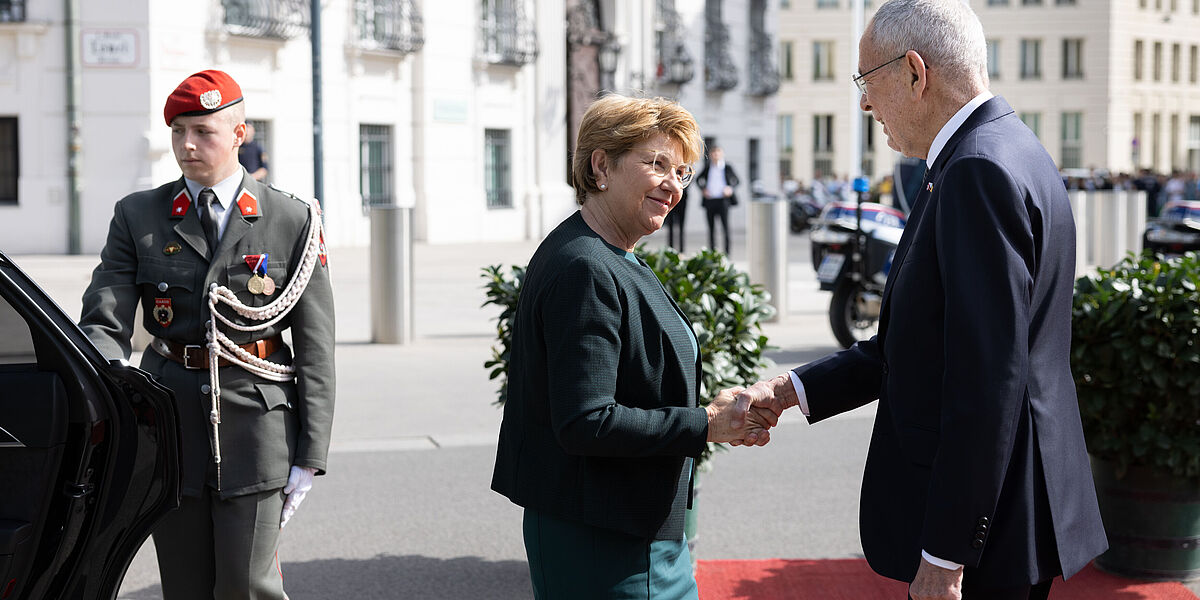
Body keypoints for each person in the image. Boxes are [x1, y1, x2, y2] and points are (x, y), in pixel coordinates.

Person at [734, 1, 1108, 598]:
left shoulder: (975, 172)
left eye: (866, 80)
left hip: (989, 528)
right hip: (1009, 506)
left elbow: (986, 381)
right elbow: (916, 344)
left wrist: (946, 554)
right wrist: (788, 391)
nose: (863, 104)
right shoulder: (1004, 147)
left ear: (914, 71)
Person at [491, 94, 774, 599]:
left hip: (628, 531)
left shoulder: (610, 252)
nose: (673, 186)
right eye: (656, 164)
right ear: (602, 165)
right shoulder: (585, 267)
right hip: (605, 544)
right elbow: (587, 421)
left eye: (683, 172)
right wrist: (705, 423)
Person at [79, 70, 335, 600]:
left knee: (247, 587)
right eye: (177, 131)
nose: (186, 145)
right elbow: (104, 321)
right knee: (185, 585)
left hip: (257, 426)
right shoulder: (139, 214)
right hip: (171, 425)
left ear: (240, 133)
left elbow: (315, 347)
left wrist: (310, 453)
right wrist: (113, 400)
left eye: (203, 131)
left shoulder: (291, 217)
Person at [696, 146, 739, 254]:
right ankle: (712, 253)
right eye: (713, 153)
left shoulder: (727, 167)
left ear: (721, 154)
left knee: (725, 228)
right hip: (710, 201)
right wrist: (703, 189)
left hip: (723, 201)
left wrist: (730, 188)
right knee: (711, 229)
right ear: (710, 155)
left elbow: (737, 180)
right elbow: (697, 179)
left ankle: (727, 253)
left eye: (718, 153)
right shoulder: (707, 167)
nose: (715, 155)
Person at [664, 185, 689, 252]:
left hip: (683, 198)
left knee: (681, 226)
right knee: (670, 225)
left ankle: (681, 250)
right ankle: (670, 248)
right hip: (671, 198)